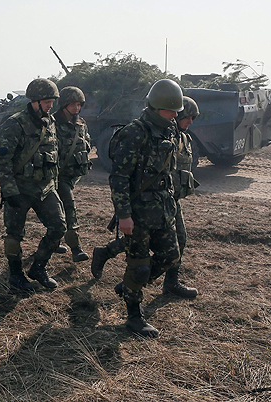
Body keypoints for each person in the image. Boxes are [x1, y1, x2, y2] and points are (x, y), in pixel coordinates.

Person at [102, 79, 184, 337]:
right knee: (139, 265)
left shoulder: (168, 130)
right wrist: (124, 215)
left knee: (171, 256)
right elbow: (119, 177)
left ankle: (129, 287)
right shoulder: (135, 132)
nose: (174, 115)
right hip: (138, 212)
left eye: (176, 112)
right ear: (156, 107)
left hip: (162, 208)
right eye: (170, 110)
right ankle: (134, 317)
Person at [0, 78, 66, 291]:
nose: (50, 105)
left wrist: (54, 183)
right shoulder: (14, 124)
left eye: (52, 101)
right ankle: (16, 275)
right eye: (46, 101)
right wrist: (9, 191)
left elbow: (54, 154)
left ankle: (39, 267)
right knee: (15, 234)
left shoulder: (50, 122)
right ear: (34, 101)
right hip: (20, 189)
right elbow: (2, 161)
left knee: (59, 226)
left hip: (45, 188)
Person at [164, 96, 200, 298]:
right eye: (188, 117)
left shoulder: (184, 138)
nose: (190, 122)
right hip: (158, 199)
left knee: (180, 239)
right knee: (139, 244)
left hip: (173, 199)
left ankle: (171, 283)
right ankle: (107, 252)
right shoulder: (163, 138)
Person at [53, 86, 93, 262]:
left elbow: (87, 144)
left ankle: (53, 242)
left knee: (57, 212)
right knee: (69, 209)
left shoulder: (81, 123)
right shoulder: (52, 123)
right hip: (57, 176)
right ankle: (76, 248)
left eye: (79, 104)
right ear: (64, 104)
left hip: (72, 176)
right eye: (73, 104)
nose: (77, 108)